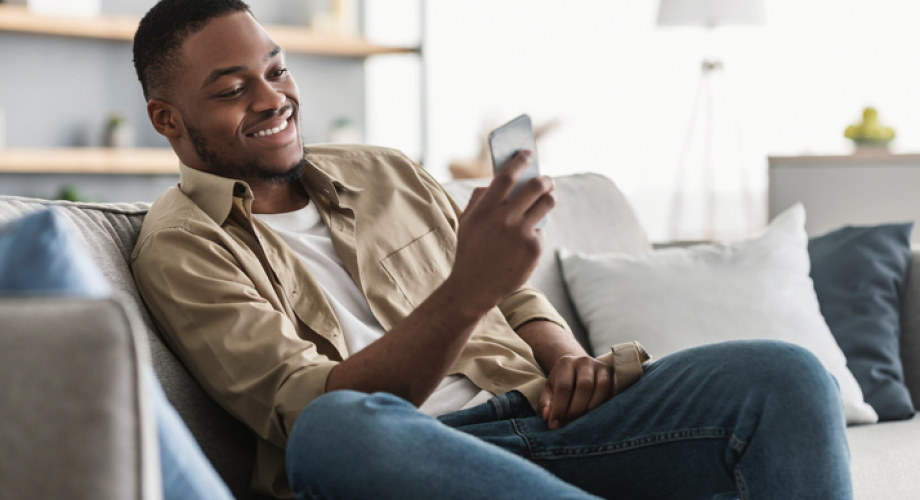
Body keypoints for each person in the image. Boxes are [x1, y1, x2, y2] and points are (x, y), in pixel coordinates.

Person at [130, 1, 853, 499]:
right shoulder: (182, 246)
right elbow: (308, 408)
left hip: (548, 420)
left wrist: (565, 356)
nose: (272, 98)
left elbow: (510, 291)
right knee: (334, 432)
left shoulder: (385, 171)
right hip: (411, 458)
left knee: (785, 376)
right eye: (232, 88)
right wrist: (464, 293)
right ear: (168, 119)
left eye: (277, 69)